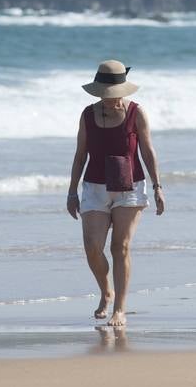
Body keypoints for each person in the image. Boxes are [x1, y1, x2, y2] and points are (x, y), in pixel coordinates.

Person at [66, 60, 165, 329]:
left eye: (112, 95)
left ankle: (119, 309)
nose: (109, 100)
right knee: (92, 248)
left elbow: (147, 151)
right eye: (104, 95)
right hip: (95, 187)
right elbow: (79, 156)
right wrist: (72, 192)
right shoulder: (88, 115)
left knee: (119, 247)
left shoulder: (136, 113)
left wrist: (157, 187)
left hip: (129, 187)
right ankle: (105, 291)